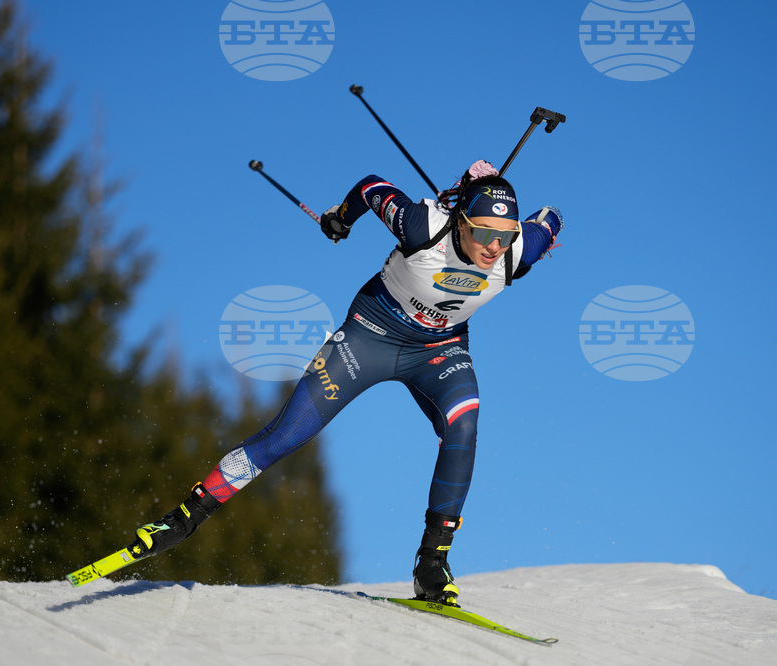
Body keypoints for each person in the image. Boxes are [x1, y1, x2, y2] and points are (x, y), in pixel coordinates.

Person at [125, 160, 563, 604]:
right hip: (369, 336)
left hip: (439, 351)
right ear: (460, 220)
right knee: (289, 434)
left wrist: (508, 204)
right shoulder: (421, 227)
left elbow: (551, 216)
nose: (493, 247)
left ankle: (432, 562)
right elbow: (373, 185)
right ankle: (183, 517)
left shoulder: (516, 251)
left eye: (503, 236)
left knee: (464, 425)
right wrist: (341, 218)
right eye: (483, 232)